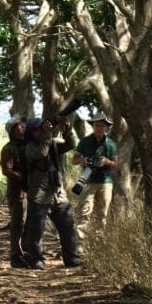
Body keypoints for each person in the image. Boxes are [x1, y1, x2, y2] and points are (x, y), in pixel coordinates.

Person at [22, 116, 80, 269]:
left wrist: (66, 129)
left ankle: (72, 258)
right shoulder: (29, 147)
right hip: (39, 193)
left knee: (67, 227)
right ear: (32, 132)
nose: (41, 131)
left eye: (42, 128)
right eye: (38, 129)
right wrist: (47, 135)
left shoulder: (53, 142)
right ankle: (36, 259)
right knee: (36, 230)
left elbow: (71, 144)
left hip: (58, 193)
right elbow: (41, 153)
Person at [71, 112, 118, 251]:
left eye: (102, 126)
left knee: (102, 213)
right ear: (93, 126)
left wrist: (107, 161)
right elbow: (74, 160)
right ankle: (81, 245)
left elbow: (115, 164)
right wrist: (83, 160)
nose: (100, 128)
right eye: (97, 125)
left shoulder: (110, 143)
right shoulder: (85, 141)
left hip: (106, 182)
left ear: (106, 128)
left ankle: (99, 244)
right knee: (85, 211)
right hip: (87, 181)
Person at [0, 116, 28, 267]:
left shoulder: (29, 145)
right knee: (18, 224)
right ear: (12, 131)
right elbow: (6, 170)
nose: (22, 126)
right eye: (18, 125)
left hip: (32, 192)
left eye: (23, 124)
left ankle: (27, 253)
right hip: (18, 192)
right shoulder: (9, 148)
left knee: (29, 224)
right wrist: (23, 179)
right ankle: (16, 256)